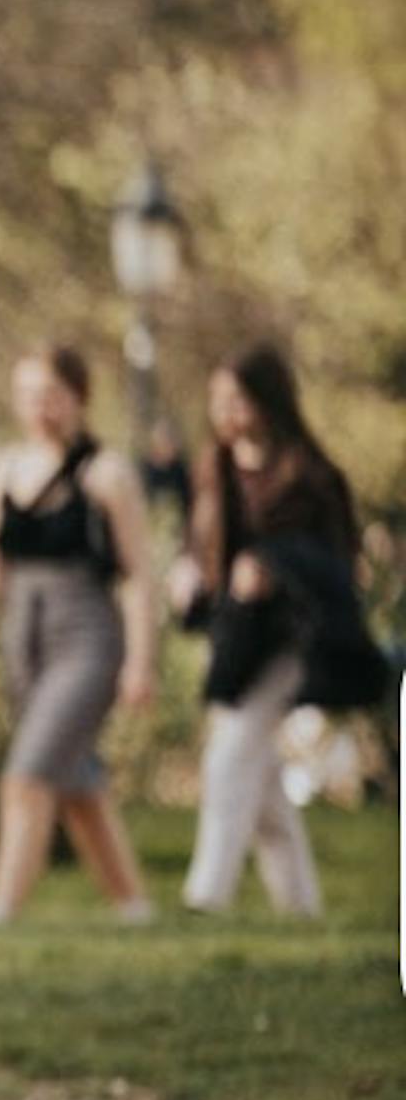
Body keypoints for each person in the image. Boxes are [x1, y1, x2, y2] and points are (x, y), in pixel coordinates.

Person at [0, 345, 157, 927]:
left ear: (78, 397)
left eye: (49, 395)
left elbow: (139, 575)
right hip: (25, 634)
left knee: (29, 773)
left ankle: (2, 907)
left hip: (88, 635)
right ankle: (134, 906)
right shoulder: (3, 470)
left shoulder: (107, 475)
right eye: (26, 396)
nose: (38, 408)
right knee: (77, 784)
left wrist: (140, 662)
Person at [173, 345, 373, 917]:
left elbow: (340, 566)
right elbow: (199, 542)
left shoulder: (309, 476)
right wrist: (190, 572)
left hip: (288, 642)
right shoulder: (215, 469)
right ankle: (300, 907)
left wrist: (276, 571)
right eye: (217, 400)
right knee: (260, 789)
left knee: (229, 755)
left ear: (266, 402)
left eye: (236, 400)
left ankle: (205, 896)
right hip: (234, 638)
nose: (225, 412)